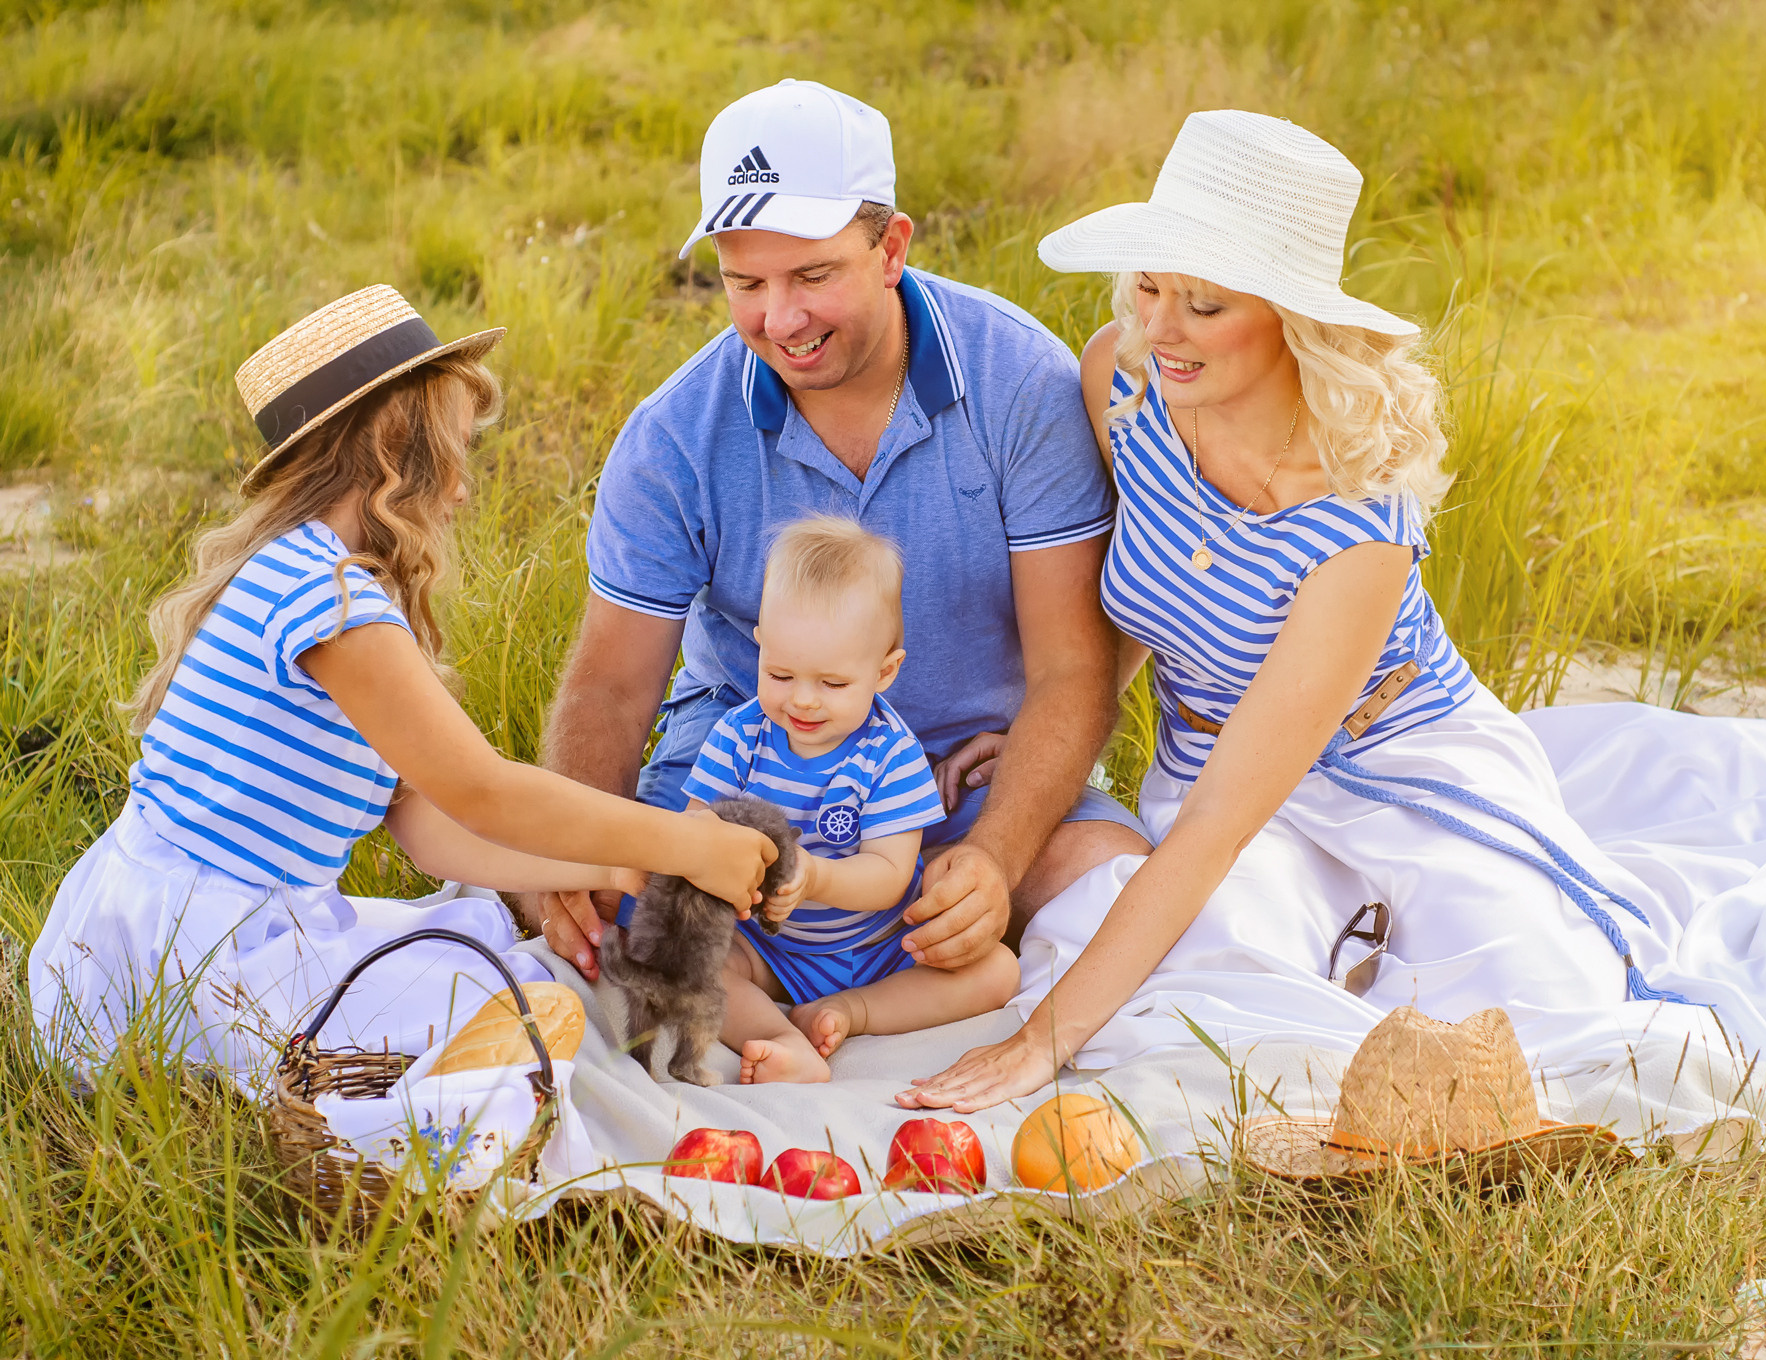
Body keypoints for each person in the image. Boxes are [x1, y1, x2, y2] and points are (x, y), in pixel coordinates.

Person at [898, 111, 1766, 1117]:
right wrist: (1063, 731)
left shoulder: (1355, 522)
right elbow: (1160, 591)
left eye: (1203, 302)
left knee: (1531, 1007)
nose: (1160, 326)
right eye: (1149, 286)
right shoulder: (1124, 382)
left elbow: (1212, 829)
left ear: (1294, 318)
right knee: (1208, 982)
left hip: (1396, 764)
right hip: (1210, 763)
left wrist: (1039, 1042)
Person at [28, 286, 775, 1080]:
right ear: (394, 448)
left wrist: (612, 867)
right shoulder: (331, 602)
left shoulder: (302, 574)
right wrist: (683, 845)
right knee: (527, 1008)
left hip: (158, 928)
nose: (461, 489)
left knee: (482, 940)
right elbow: (482, 792)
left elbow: (427, 830)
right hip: (203, 961)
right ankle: (381, 1116)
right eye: (454, 453)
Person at [528, 79, 1149, 984]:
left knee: (1118, 889)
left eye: (812, 276)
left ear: (891, 246)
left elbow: (1070, 668)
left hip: (960, 787)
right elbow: (613, 691)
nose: (779, 320)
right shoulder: (674, 436)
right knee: (618, 913)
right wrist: (579, 858)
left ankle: (859, 980)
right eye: (745, 283)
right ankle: (782, 1006)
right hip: (744, 787)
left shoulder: (1018, 382)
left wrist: (997, 859)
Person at [683, 516, 1020, 1084]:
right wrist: (717, 863)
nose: (804, 701)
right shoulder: (740, 737)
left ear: (884, 671)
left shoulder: (891, 754)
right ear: (759, 643)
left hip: (880, 946)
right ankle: (783, 1042)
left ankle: (852, 1012)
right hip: (770, 947)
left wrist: (814, 878)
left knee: (998, 971)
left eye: (833, 684)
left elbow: (890, 874)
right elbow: (695, 833)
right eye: (781, 674)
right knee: (697, 960)